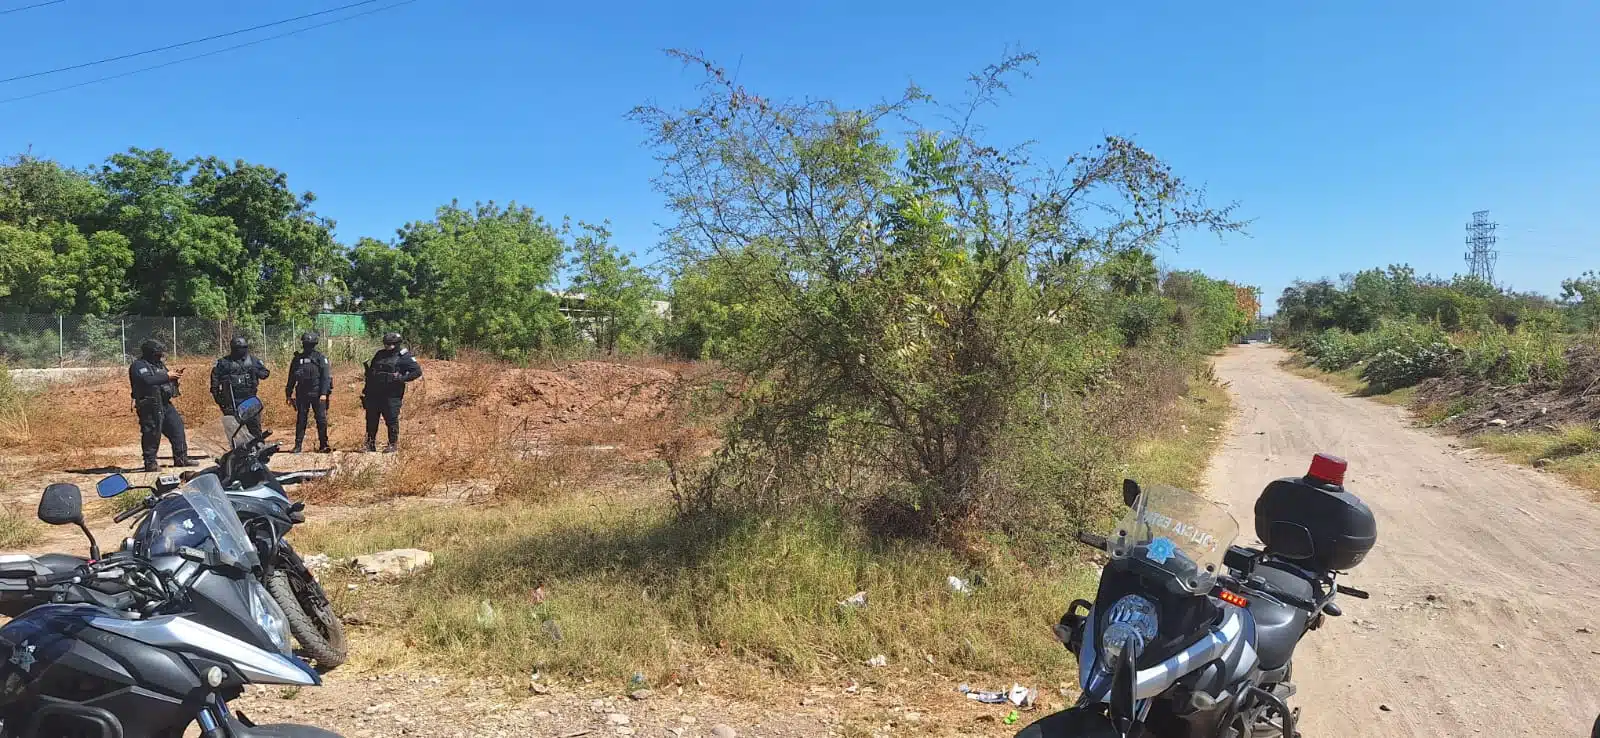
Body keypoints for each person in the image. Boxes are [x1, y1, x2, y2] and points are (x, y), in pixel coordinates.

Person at [129, 339, 193, 472]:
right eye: (157, 353)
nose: (160, 356)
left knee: (177, 428)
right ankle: (150, 463)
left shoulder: (159, 365)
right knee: (152, 433)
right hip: (149, 405)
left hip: (164, 403)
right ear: (150, 353)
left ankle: (181, 458)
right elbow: (148, 380)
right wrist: (167, 376)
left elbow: (164, 378)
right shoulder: (139, 365)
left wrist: (174, 377)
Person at [361, 332, 422, 453]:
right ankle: (370, 444)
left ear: (397, 344)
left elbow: (417, 372)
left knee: (391, 419)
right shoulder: (380, 354)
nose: (387, 346)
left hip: (392, 394)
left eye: (390, 344)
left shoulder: (403, 356)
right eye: (385, 344)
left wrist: (402, 379)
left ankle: (392, 444)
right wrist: (366, 391)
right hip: (374, 392)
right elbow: (371, 373)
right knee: (371, 419)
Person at [210, 336, 270, 438]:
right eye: (237, 348)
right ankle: (237, 449)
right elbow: (214, 380)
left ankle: (258, 445)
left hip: (249, 398)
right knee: (233, 428)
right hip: (230, 400)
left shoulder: (253, 361)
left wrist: (256, 372)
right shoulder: (223, 362)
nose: (240, 351)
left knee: (253, 424)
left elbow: (265, 373)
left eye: (242, 348)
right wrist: (217, 397)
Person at [285, 331, 333, 454]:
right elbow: (291, 378)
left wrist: (323, 394)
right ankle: (298, 445)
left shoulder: (320, 358)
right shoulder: (297, 359)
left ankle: (324, 444)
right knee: (301, 419)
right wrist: (288, 394)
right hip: (302, 393)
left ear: (314, 344)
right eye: (306, 344)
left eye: (310, 344)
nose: (308, 346)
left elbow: (326, 377)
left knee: (321, 419)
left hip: (317, 394)